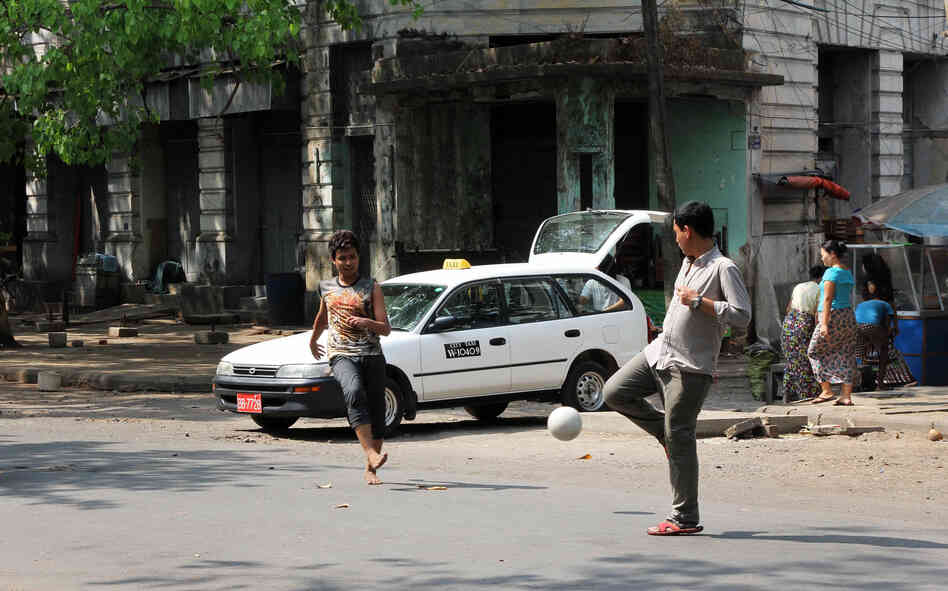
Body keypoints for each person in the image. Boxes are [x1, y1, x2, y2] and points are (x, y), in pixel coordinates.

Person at [602, 201, 751, 536]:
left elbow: (742, 316)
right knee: (613, 392)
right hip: (659, 355)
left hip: (690, 366)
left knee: (681, 434)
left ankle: (684, 518)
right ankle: (663, 433)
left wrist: (700, 302)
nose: (675, 241)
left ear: (688, 230)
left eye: (676, 234)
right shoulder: (687, 262)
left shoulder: (723, 268)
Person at [309, 230, 392, 485]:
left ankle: (371, 468)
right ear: (334, 260)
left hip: (372, 354)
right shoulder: (326, 287)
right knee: (353, 391)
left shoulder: (371, 287)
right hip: (341, 354)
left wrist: (367, 322)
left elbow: (385, 328)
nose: (349, 262)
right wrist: (313, 339)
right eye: (343, 258)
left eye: (353, 257)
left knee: (378, 411)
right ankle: (370, 452)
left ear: (359, 258)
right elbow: (323, 318)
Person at [807, 240, 857, 406]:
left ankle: (826, 390)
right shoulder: (847, 272)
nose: (822, 259)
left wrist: (824, 323)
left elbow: (828, 298)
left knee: (814, 351)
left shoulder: (830, 273)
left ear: (832, 254)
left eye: (823, 255)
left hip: (832, 315)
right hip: (848, 315)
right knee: (846, 352)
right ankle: (846, 396)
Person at [855, 280, 916, 388]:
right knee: (884, 352)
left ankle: (856, 382)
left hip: (857, 328)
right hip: (873, 328)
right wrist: (888, 334)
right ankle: (881, 382)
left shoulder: (861, 304)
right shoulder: (885, 304)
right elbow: (887, 325)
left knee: (859, 355)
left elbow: (858, 319)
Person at [780, 265, 825, 401]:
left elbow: (788, 308)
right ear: (823, 278)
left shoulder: (799, 286)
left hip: (788, 323)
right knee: (806, 361)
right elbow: (818, 314)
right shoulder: (821, 289)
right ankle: (808, 395)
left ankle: (789, 393)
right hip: (804, 323)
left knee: (792, 360)